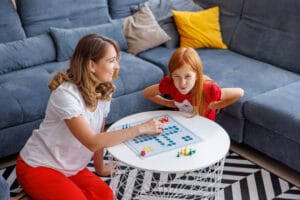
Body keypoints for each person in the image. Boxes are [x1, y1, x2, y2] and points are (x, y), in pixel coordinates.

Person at [16, 34, 164, 200]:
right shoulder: (65, 94)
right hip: (38, 166)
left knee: (106, 196)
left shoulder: (103, 89)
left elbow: (100, 133)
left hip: (72, 167)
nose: (117, 67)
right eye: (111, 60)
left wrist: (100, 168)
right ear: (92, 65)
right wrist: (141, 128)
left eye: (116, 60)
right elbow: (92, 141)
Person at [143, 47, 244, 121]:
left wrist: (216, 105)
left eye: (188, 76)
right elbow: (147, 93)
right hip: (182, 122)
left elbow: (239, 92)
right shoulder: (170, 84)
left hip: (205, 127)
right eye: (177, 76)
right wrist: (168, 103)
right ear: (171, 75)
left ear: (197, 75)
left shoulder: (209, 89)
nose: (182, 83)